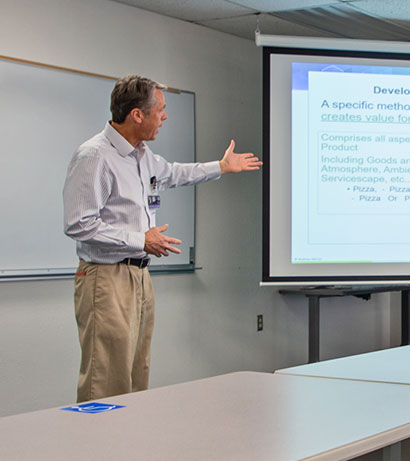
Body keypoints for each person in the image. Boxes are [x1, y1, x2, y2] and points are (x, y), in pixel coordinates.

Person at [63, 74, 262, 403]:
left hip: (139, 276)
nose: (165, 116)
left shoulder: (143, 157)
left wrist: (221, 167)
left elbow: (176, 173)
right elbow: (79, 224)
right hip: (106, 277)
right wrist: (140, 240)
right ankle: (100, 450)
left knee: (136, 373)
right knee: (107, 378)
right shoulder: (94, 157)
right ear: (137, 115)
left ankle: (129, 449)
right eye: (160, 110)